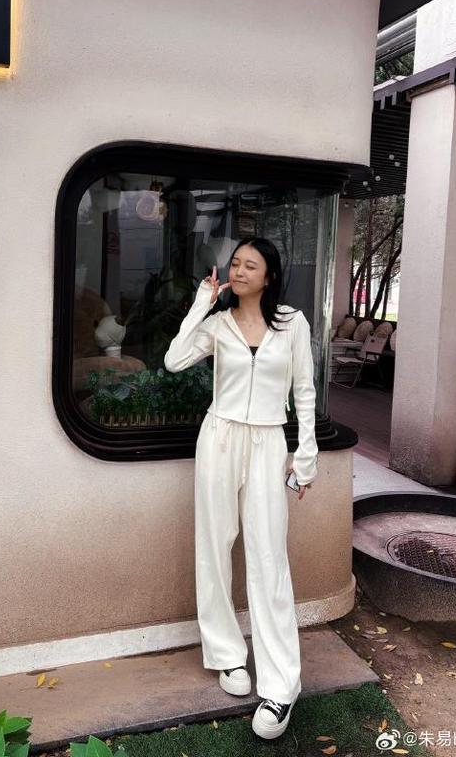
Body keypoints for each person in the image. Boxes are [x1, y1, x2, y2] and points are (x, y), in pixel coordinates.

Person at [164, 236, 319, 740]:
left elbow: (304, 391)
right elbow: (174, 360)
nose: (240, 270)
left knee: (268, 556)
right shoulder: (219, 324)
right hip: (220, 438)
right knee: (214, 546)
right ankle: (227, 655)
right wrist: (201, 303)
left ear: (269, 276)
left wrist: (306, 457)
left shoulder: (292, 323)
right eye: (236, 263)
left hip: (269, 441)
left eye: (251, 265)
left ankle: (281, 685)